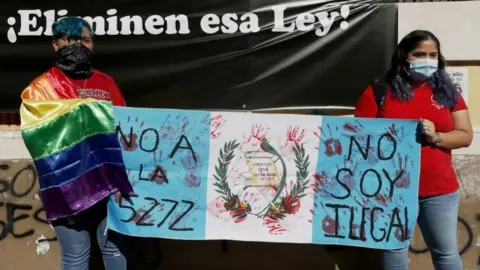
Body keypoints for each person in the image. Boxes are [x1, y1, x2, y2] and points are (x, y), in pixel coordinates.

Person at [354, 30, 473, 270]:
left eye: (433, 55)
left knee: (447, 255)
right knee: (395, 252)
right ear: (404, 56)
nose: (427, 60)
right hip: (391, 190)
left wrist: (436, 137)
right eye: (419, 54)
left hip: (439, 191)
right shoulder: (378, 92)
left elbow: (465, 135)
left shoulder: (448, 92)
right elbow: (357, 138)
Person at [20, 17, 128, 270]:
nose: (78, 45)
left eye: (85, 40)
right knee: (76, 256)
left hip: (109, 184)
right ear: (56, 45)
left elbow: (125, 128)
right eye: (70, 39)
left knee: (114, 249)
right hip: (68, 187)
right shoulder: (40, 89)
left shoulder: (106, 83)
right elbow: (39, 140)